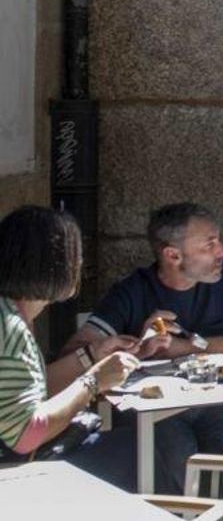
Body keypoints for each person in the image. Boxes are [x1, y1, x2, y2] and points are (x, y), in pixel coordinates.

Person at [62, 202, 223, 494]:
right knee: (177, 462)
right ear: (173, 255)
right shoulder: (132, 292)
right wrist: (136, 349)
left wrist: (189, 347)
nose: (222, 252)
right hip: (157, 408)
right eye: (209, 244)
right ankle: (184, 514)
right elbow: (72, 353)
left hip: (216, 402)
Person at [1, 206, 145, 490]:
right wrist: (93, 382)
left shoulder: (10, 313)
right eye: (75, 254)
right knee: (145, 450)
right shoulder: (10, 328)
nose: (80, 263)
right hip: (14, 478)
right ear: (56, 264)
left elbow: (27, 393)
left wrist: (91, 356)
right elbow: (25, 436)